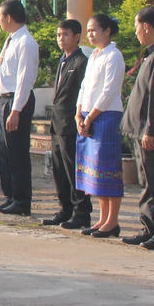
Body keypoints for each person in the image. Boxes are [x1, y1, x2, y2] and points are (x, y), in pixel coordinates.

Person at [75, 13, 126, 238]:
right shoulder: (94, 55)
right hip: (88, 115)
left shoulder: (114, 55)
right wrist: (79, 114)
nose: (91, 34)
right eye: (88, 30)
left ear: (107, 31)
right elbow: (84, 87)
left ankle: (112, 221)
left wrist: (90, 118)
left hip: (106, 116)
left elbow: (109, 91)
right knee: (94, 171)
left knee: (108, 169)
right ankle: (102, 218)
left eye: (94, 30)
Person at [121, 6, 154, 251]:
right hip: (140, 130)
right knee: (147, 181)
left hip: (151, 133)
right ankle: (149, 226)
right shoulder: (152, 53)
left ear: (146, 26)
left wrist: (150, 129)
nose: (136, 32)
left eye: (137, 26)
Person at [0, 0, 39, 216]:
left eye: (0, 17)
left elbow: (24, 80)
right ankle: (9, 195)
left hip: (16, 100)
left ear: (8, 17)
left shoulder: (26, 42)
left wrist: (16, 110)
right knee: (3, 151)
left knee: (17, 152)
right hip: (2, 99)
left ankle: (21, 199)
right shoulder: (10, 40)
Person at [44, 19, 92, 229]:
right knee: (59, 169)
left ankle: (82, 212)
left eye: (65, 34)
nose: (60, 39)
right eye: (58, 35)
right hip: (57, 123)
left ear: (77, 36)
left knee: (73, 169)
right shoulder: (63, 60)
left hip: (71, 123)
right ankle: (65, 209)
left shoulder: (81, 62)